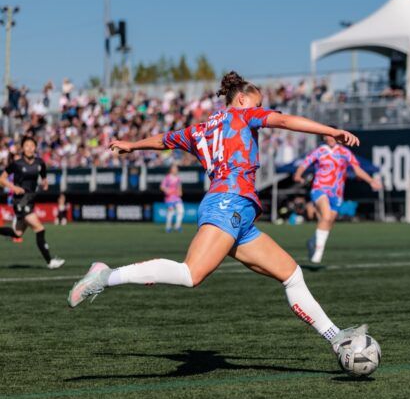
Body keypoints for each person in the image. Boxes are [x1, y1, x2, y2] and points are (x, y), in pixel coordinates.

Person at [67, 71, 371, 365]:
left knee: (292, 275)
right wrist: (330, 131)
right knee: (191, 274)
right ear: (241, 100)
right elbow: (284, 120)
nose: (259, 110)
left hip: (238, 212)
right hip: (229, 202)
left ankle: (336, 337)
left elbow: (164, 140)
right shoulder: (243, 116)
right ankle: (106, 276)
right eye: (257, 104)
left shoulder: (198, 130)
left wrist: (133, 145)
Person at [293, 129, 381, 264]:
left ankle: (311, 242)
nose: (331, 138)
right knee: (326, 216)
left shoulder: (345, 152)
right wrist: (298, 175)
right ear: (324, 137)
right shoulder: (319, 151)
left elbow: (357, 170)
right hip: (320, 189)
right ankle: (319, 251)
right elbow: (304, 164)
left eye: (333, 135)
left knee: (328, 222)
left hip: (337, 193)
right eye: (328, 135)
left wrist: (371, 181)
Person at [0, 137, 65, 269]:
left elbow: (44, 177)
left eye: (32, 145)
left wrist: (45, 183)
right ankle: (50, 262)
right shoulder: (17, 164)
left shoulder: (40, 163)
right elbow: (2, 179)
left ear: (35, 147)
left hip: (30, 200)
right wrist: (13, 187)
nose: (29, 148)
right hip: (20, 201)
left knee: (17, 233)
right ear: (23, 148)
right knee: (39, 228)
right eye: (27, 145)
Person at [161, 164, 184, 233]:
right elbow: (162, 186)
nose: (176, 170)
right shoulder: (167, 177)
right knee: (170, 213)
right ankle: (168, 227)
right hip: (169, 198)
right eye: (175, 168)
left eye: (176, 169)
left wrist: (180, 191)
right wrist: (167, 190)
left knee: (181, 211)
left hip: (176, 197)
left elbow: (179, 186)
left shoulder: (178, 178)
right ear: (171, 170)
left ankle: (177, 226)